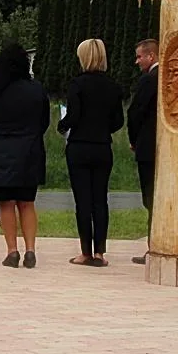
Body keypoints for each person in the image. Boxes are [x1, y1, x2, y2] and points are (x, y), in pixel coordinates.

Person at [57, 39, 126, 266]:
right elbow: (118, 120)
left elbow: (73, 115)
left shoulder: (77, 84)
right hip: (102, 146)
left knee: (83, 201)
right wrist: (103, 128)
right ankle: (100, 253)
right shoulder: (113, 86)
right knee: (100, 199)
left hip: (79, 146)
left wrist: (62, 125)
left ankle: (85, 251)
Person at [0, 42, 49, 268]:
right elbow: (44, 121)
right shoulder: (36, 89)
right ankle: (30, 250)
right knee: (27, 202)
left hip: (1, 151)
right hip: (29, 151)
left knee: (5, 203)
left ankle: (12, 251)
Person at [127, 38, 160, 264]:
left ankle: (154, 247)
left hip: (148, 147)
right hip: (164, 147)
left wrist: (134, 139)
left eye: (140, 56)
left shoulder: (149, 80)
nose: (137, 61)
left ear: (151, 56)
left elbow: (135, 112)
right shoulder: (167, 77)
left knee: (151, 198)